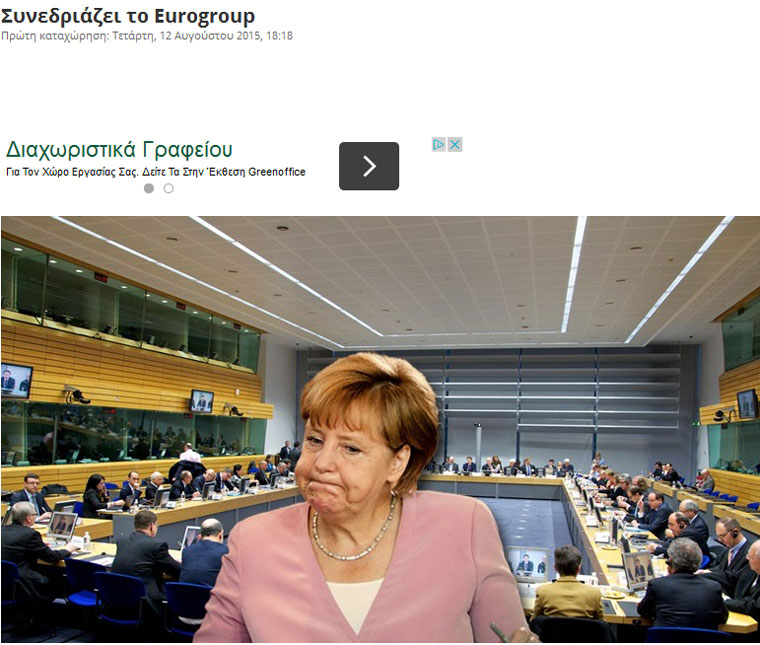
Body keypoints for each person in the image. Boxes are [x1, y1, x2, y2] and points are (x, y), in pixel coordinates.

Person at [195, 352, 533, 643]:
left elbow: (507, 636)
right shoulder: (252, 542)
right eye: (314, 440)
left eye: (351, 448)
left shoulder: (464, 526)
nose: (321, 463)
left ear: (397, 462)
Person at [637, 538, 727, 629]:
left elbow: (643, 611)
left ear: (670, 562)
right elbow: (723, 618)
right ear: (699, 562)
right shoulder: (713, 588)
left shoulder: (657, 585)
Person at [1, 502, 78, 605]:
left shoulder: (2, 530)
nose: (35, 516)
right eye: (35, 514)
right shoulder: (30, 534)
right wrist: (68, 550)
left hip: (5, 579)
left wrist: (38, 545)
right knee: (55, 577)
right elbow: (52, 557)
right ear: (29, 518)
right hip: (22, 581)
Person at [112, 509, 181, 615]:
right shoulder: (157, 545)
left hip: (117, 597)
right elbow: (175, 570)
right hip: (145, 602)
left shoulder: (122, 541)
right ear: (152, 526)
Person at [531, 545, 603, 620]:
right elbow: (601, 624)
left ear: (555, 567)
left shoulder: (543, 592)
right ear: (578, 569)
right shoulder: (594, 594)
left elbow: (534, 622)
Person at [706, 541, 760, 621]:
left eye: (751, 557)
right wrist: (703, 576)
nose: (747, 558)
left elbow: (754, 607)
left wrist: (727, 601)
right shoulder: (751, 568)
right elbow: (732, 578)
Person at [180, 518, 229, 587]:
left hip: (185, 593)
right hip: (211, 593)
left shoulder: (186, 551)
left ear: (200, 536)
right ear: (220, 535)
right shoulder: (226, 551)